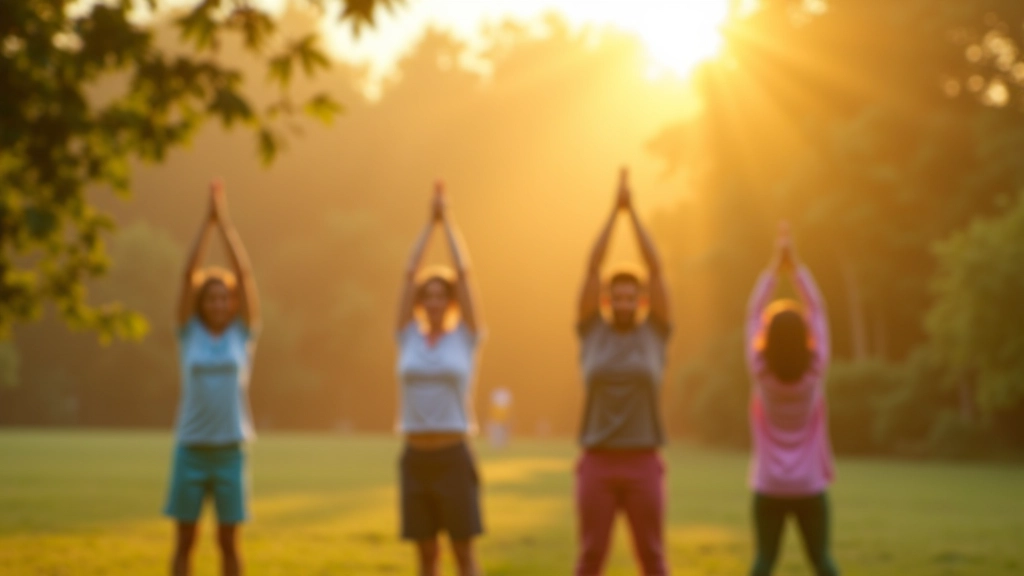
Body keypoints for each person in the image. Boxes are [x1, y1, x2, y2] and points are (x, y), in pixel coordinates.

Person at [575, 168, 672, 576]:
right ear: (607, 299)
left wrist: (633, 215)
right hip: (597, 460)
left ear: (641, 300)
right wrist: (613, 215)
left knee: (652, 556)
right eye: (617, 296)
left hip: (643, 459)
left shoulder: (655, 333)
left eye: (631, 296)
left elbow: (657, 269)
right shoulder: (592, 331)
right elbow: (592, 268)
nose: (625, 302)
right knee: (591, 556)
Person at [165, 182, 261, 576]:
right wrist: (207, 225)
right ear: (201, 303)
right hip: (190, 449)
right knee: (185, 542)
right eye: (211, 297)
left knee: (229, 543)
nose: (219, 303)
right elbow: (188, 274)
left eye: (225, 298)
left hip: (230, 452)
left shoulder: (242, 334)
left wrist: (226, 227)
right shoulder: (188, 333)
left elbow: (244, 274)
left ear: (233, 302)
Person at [395, 182, 485, 576]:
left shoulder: (466, 337)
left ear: (450, 302)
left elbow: (464, 275)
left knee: (463, 555)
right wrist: (426, 227)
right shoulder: (407, 336)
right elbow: (408, 275)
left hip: (453, 456)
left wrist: (446, 222)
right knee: (426, 557)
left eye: (440, 295)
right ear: (420, 301)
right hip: (415, 458)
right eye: (426, 295)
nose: (433, 301)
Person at [745, 223, 839, 576]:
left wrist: (774, 267)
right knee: (822, 562)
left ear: (767, 339)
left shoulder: (761, 373)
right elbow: (818, 309)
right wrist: (795, 266)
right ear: (805, 338)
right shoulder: (814, 373)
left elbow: (753, 312)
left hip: (769, 486)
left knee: (763, 562)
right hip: (810, 487)